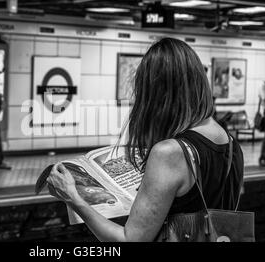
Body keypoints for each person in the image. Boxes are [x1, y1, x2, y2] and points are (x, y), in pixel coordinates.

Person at [45, 38, 244, 241]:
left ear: (155, 93)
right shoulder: (230, 143)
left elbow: (130, 239)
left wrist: (74, 199)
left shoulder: (169, 153)